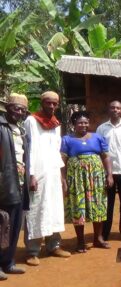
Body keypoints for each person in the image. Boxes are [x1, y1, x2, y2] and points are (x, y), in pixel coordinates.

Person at [24, 91, 70, 267]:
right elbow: (30, 150)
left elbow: (56, 151)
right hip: (37, 174)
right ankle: (32, 251)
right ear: (42, 103)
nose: (51, 106)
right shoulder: (31, 121)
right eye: (48, 103)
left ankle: (54, 246)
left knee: (54, 209)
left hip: (53, 173)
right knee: (36, 209)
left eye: (54, 104)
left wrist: (61, 176)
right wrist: (31, 175)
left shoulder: (56, 124)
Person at [61, 111, 113, 253]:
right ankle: (80, 241)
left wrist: (109, 175)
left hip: (95, 178)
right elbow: (63, 161)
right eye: (80, 123)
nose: (83, 125)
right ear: (74, 125)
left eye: (85, 122)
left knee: (98, 205)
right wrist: (63, 180)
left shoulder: (98, 137)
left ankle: (98, 238)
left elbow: (106, 157)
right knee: (78, 206)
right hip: (76, 178)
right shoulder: (67, 139)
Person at [96, 101, 121, 240]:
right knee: (108, 204)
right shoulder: (102, 128)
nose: (115, 109)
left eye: (118, 108)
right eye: (112, 107)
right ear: (109, 109)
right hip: (107, 173)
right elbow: (99, 150)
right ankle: (105, 234)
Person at [0, 93, 30, 280]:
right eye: (15, 108)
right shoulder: (1, 127)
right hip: (4, 182)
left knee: (15, 224)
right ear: (7, 108)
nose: (18, 112)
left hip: (19, 183)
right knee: (2, 224)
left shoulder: (20, 130)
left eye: (22, 110)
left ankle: (9, 262)